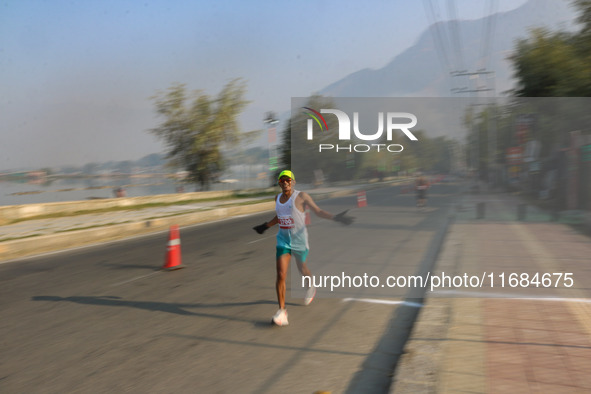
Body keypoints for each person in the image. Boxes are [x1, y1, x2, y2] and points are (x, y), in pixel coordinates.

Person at [252, 170, 353, 326]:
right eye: (282, 180)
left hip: (300, 241)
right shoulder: (277, 198)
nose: (285, 182)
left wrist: (336, 217)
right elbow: (280, 216)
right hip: (283, 241)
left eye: (288, 180)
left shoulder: (301, 197)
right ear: (279, 183)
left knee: (302, 268)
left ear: (293, 182)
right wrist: (265, 226)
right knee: (281, 274)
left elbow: (318, 212)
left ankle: (310, 286)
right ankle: (282, 312)